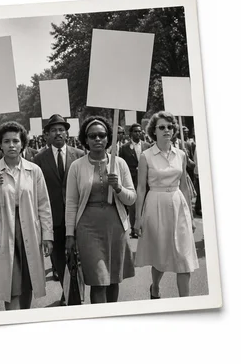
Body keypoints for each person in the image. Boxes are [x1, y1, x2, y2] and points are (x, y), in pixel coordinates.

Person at [0, 121, 53, 310]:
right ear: (0, 145)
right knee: (10, 284)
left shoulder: (34, 170)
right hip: (5, 232)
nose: (11, 145)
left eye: (15, 141)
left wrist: (48, 236)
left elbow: (43, 205)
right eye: (6, 141)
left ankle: (24, 319)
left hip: (30, 231)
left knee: (27, 282)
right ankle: (13, 322)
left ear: (22, 144)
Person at [65, 116, 136, 304]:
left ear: (108, 138)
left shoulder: (119, 164)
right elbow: (71, 203)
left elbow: (131, 198)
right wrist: (69, 235)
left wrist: (119, 187)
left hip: (116, 227)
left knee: (113, 280)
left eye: (102, 135)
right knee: (98, 280)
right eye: (92, 135)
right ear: (85, 139)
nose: (98, 139)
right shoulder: (76, 166)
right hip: (88, 229)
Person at [134, 111, 199, 298]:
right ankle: (155, 287)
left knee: (184, 258)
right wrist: (137, 219)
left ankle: (184, 304)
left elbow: (185, 187)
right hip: (156, 205)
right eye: (162, 127)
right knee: (160, 257)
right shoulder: (146, 156)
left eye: (170, 126)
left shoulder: (181, 154)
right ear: (153, 131)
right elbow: (140, 188)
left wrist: (191, 217)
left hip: (179, 205)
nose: (167, 130)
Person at [34, 114, 85, 304]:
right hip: (52, 219)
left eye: (61, 129)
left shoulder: (79, 155)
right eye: (53, 130)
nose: (58, 133)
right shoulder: (38, 159)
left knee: (78, 258)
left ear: (67, 133)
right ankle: (67, 292)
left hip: (77, 217)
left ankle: (76, 293)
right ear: (46, 135)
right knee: (59, 261)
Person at [119, 123, 150, 238]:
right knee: (133, 205)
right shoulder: (124, 148)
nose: (138, 133)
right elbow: (121, 165)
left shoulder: (148, 146)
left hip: (146, 180)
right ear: (131, 133)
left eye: (139, 131)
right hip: (132, 180)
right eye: (135, 131)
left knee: (146, 203)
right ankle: (133, 228)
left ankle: (146, 225)